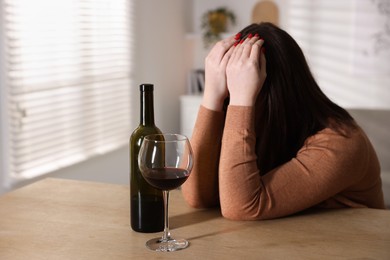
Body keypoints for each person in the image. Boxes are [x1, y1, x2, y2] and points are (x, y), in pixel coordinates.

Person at [181, 22, 385, 221]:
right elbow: (198, 196)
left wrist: (242, 100)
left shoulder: (341, 143)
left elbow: (240, 208)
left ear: (276, 95)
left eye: (237, 85)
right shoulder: (260, 125)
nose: (229, 101)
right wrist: (211, 96)